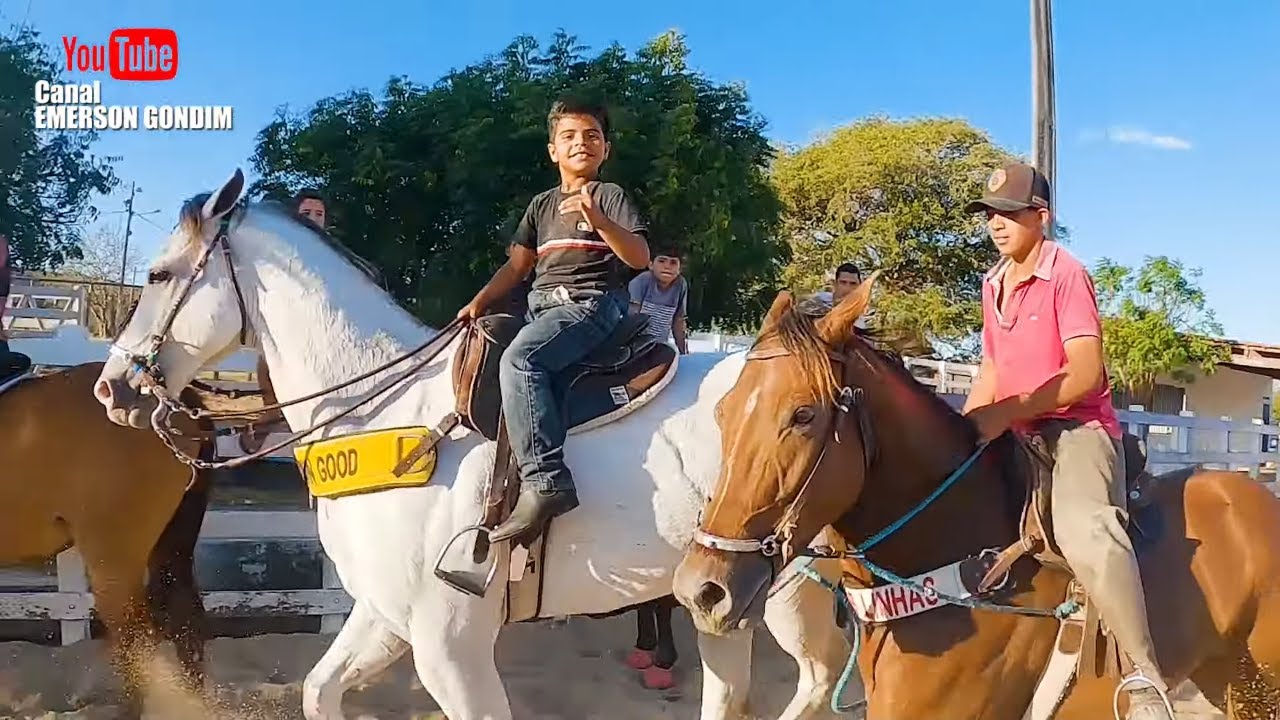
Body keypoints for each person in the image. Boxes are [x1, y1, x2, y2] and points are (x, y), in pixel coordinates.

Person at [960, 162, 1171, 720]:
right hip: (1017, 425)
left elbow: (1085, 375)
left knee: (1089, 531)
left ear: (1041, 216)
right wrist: (966, 427)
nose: (997, 225)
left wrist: (1009, 411)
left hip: (1077, 427)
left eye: (1009, 214)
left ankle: (1146, 679)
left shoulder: (1066, 273)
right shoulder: (991, 284)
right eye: (990, 215)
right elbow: (991, 367)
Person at [457, 97, 651, 542]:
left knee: (522, 362)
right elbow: (518, 266)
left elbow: (640, 258)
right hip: (540, 309)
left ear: (606, 149)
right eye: (569, 136)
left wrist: (598, 220)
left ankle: (546, 480)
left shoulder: (609, 196)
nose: (581, 142)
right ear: (553, 150)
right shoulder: (540, 206)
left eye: (592, 136)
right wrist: (480, 301)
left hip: (591, 303)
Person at [628, 246, 689, 354]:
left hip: (659, 345)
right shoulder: (642, 281)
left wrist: (683, 352)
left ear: (680, 269)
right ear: (651, 265)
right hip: (635, 345)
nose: (667, 266)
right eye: (662, 261)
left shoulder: (680, 285)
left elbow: (678, 321)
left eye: (673, 263)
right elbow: (632, 316)